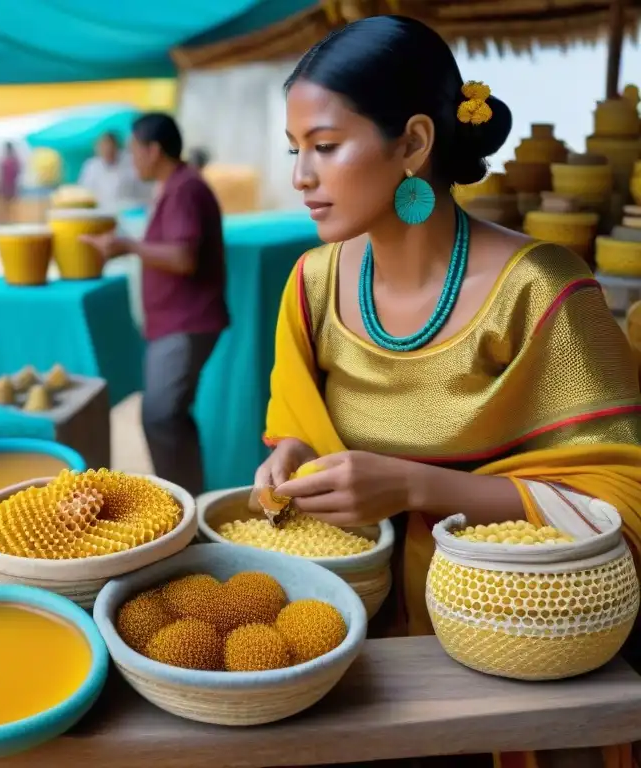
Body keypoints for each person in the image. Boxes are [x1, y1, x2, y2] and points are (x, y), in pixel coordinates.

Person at [257, 16, 641, 768]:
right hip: (346, 639)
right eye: (295, 150)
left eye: (326, 147)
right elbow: (295, 424)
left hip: (511, 642)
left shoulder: (543, 290)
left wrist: (410, 486)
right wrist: (292, 456)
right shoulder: (312, 284)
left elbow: (619, 503)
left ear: (414, 145)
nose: (301, 177)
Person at [81, 113, 229, 496]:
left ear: (154, 150)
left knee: (160, 416)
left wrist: (126, 246)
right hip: (172, 321)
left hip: (187, 321)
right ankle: (188, 502)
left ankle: (184, 508)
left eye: (134, 152)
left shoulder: (184, 189)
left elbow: (183, 258)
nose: (132, 160)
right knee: (168, 417)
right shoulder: (172, 186)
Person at [78, 131, 151, 211]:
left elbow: (145, 190)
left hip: (130, 211)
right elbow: (84, 194)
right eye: (103, 146)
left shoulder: (131, 162)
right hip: (101, 213)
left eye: (110, 146)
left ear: (116, 146)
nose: (107, 150)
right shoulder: (91, 167)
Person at [0, 141, 21, 223]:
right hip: (8, 185)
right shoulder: (11, 160)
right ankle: (8, 220)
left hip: (9, 185)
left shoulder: (9, 161)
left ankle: (10, 220)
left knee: (10, 205)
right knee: (8, 205)